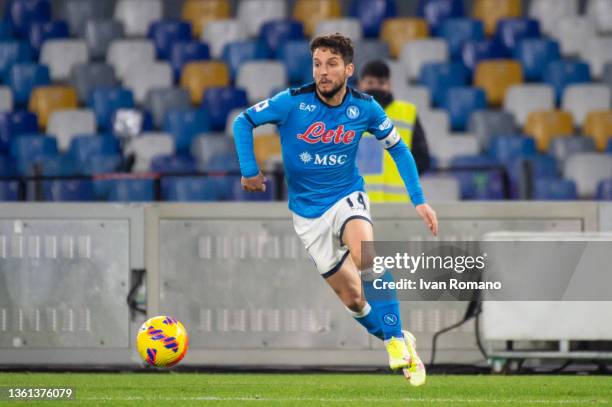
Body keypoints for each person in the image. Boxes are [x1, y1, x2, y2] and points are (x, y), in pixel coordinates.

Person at [233, 33, 438, 386]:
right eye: (317, 64)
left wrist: (418, 198)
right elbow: (243, 121)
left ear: (348, 69)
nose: (322, 72)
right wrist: (249, 170)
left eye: (330, 64)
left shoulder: (365, 108)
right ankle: (400, 337)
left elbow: (400, 149)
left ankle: (394, 345)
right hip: (307, 214)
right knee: (354, 299)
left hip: (346, 197)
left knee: (366, 257)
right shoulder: (291, 102)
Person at [358, 59, 431, 202]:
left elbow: (423, 158)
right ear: (361, 84)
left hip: (398, 206)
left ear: (389, 85)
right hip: (357, 206)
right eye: (370, 82)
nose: (376, 87)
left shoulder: (407, 113)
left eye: (381, 83)